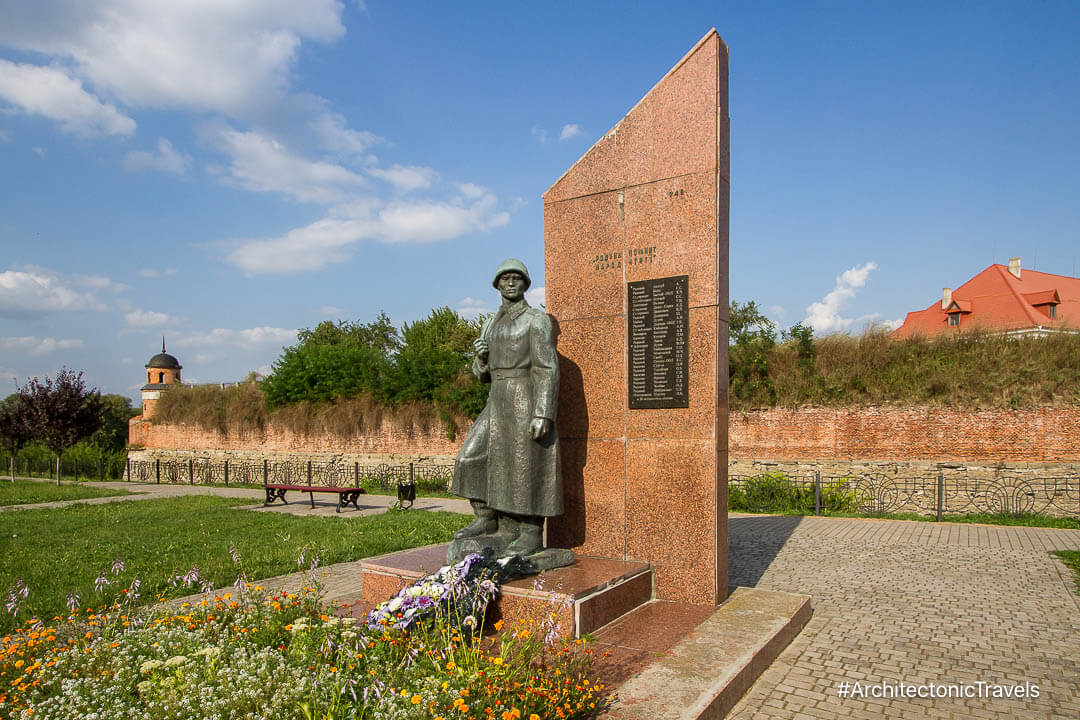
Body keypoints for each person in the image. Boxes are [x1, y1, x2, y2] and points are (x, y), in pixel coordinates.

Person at [450, 258, 561, 557]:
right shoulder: (491, 321)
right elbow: (481, 375)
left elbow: (547, 367)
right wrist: (481, 359)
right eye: (505, 278)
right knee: (470, 456)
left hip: (524, 397)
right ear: (497, 284)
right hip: (496, 399)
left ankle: (530, 532)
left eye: (516, 278)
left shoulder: (535, 320)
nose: (511, 283)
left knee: (526, 466)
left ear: (525, 284)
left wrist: (543, 411)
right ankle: (486, 518)